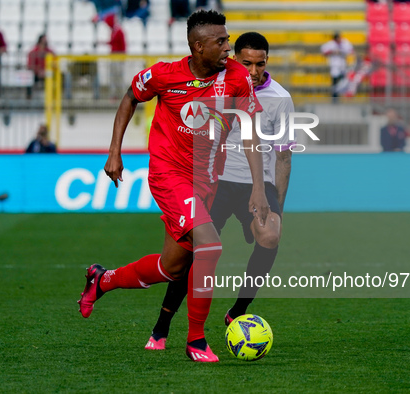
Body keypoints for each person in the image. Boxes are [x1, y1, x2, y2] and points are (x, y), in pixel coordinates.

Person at [77, 10, 269, 363]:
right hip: (168, 174)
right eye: (221, 42)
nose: (229, 47)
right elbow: (130, 97)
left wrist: (258, 186)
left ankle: (102, 280)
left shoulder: (237, 78)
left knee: (172, 268)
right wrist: (114, 151)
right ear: (198, 47)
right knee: (210, 246)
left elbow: (251, 132)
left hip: (206, 181)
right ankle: (196, 340)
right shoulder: (165, 74)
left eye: (228, 40)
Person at [144, 32, 293, 351]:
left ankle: (238, 311)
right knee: (190, 255)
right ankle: (162, 327)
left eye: (260, 63)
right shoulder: (215, 87)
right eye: (246, 63)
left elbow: (283, 155)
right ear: (234, 59)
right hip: (216, 182)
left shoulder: (281, 99)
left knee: (270, 236)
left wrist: (277, 204)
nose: (253, 71)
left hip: (257, 184)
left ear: (267, 61)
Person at [320, 32, 353, 101]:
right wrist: (333, 52)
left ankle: (344, 96)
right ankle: (335, 97)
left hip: (343, 64)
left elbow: (350, 50)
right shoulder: (331, 44)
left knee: (343, 81)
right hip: (334, 64)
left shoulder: (344, 42)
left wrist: (341, 52)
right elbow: (324, 51)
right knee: (335, 81)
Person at [27, 34, 55, 100]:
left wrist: (45, 71)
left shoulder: (50, 52)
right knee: (28, 78)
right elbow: (30, 65)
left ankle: (52, 97)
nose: (46, 41)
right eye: (44, 39)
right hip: (36, 74)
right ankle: (29, 97)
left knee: (53, 77)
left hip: (47, 73)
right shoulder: (33, 52)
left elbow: (54, 63)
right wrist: (38, 71)